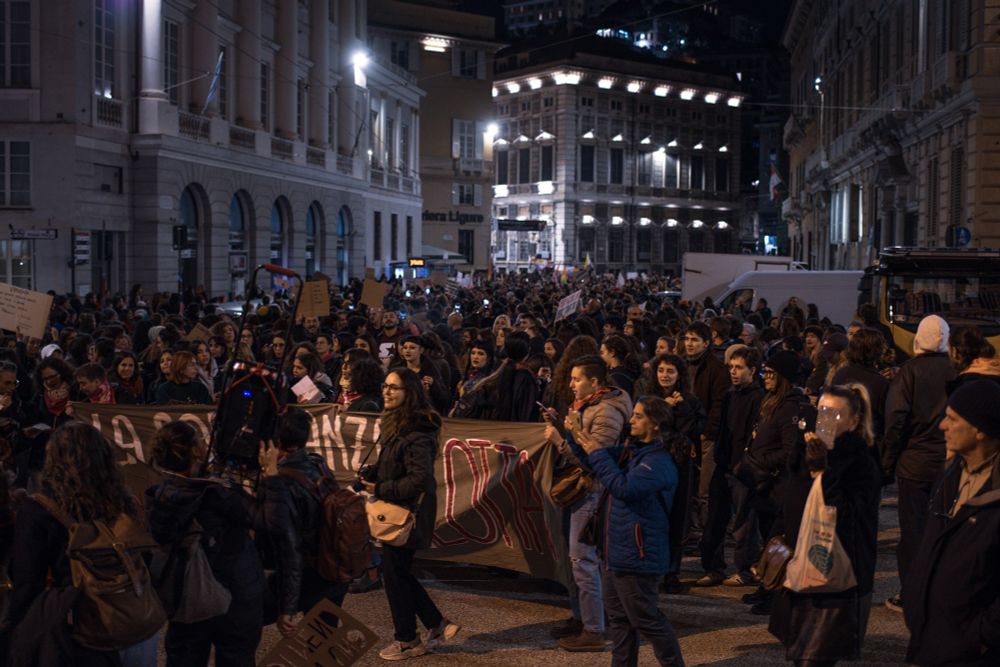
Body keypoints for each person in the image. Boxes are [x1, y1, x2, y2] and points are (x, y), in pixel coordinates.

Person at [6, 422, 157, 665]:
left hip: (81, 628)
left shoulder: (39, 509)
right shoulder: (123, 500)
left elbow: (27, 580)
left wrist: (19, 637)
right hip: (135, 622)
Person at [563, 396, 685, 667]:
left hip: (638, 556)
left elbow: (623, 488)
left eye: (638, 416)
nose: (631, 420)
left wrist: (595, 451)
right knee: (619, 620)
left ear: (655, 425)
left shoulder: (658, 462)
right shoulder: (634, 452)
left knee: (647, 619)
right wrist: (573, 434)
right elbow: (592, 458)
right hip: (615, 551)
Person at [768, 384, 881, 666]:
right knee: (799, 653)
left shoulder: (860, 460)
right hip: (800, 567)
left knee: (815, 656)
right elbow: (793, 501)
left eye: (836, 415)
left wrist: (823, 471)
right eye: (822, 412)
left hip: (832, 576)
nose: (826, 420)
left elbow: (848, 517)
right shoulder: (809, 449)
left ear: (854, 421)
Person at [146, 420, 264, 666]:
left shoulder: (159, 497)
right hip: (234, 597)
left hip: (185, 599)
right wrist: (270, 475)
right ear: (196, 450)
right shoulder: (218, 495)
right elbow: (264, 519)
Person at [360, 368, 459, 660]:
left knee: (394, 574)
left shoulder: (419, 430)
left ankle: (408, 640)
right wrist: (373, 473)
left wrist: (382, 486)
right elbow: (395, 463)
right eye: (386, 386)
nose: (387, 392)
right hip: (397, 509)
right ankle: (436, 624)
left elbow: (419, 479)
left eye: (395, 388)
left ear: (410, 393)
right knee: (396, 573)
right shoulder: (395, 424)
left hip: (408, 514)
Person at [903, 380, 1000, 666]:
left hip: (971, 650)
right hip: (931, 638)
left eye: (953, 419)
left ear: (981, 430)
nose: (942, 425)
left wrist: (984, 636)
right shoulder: (951, 473)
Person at [543, 355, 632, 651]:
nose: (571, 385)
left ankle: (594, 629)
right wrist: (562, 424)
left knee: (583, 560)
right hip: (581, 490)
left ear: (594, 382)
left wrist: (559, 439)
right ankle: (583, 618)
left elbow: (597, 460)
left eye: (577, 379)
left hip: (591, 491)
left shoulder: (606, 411)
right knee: (576, 559)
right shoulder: (589, 406)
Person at [881, 314, 956, 613]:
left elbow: (896, 419)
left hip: (914, 463)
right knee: (943, 527)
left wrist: (887, 462)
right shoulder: (956, 371)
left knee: (912, 532)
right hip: (948, 462)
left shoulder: (908, 372)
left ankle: (912, 592)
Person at [256, 408, 350, 638]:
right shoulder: (317, 462)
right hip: (334, 566)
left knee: (243, 623)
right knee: (323, 644)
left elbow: (290, 550)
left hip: (310, 574)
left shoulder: (284, 485)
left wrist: (286, 609)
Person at [738, 350, 815, 614]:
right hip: (763, 485)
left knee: (777, 542)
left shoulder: (790, 407)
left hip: (777, 486)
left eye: (770, 373)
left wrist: (763, 460)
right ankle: (766, 588)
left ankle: (775, 594)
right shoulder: (771, 402)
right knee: (766, 539)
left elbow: (790, 449)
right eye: (764, 373)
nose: (765, 378)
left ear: (781, 377)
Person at [700, 346, 764, 587]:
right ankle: (713, 567)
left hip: (742, 468)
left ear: (753, 370)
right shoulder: (730, 394)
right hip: (724, 463)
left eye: (739, 368)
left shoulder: (757, 397)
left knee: (744, 524)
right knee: (715, 519)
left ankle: (745, 569)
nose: (734, 372)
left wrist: (744, 464)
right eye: (731, 367)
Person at [683, 322, 729, 545]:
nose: (689, 344)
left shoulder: (716, 369)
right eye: (687, 339)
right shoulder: (683, 366)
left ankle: (707, 534)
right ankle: (692, 530)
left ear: (706, 343)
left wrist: (707, 431)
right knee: (688, 486)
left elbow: (719, 405)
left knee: (704, 489)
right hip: (686, 435)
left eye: (694, 340)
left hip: (706, 437)